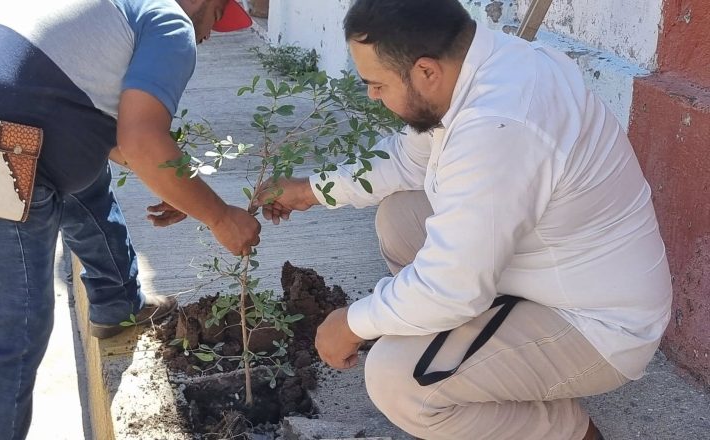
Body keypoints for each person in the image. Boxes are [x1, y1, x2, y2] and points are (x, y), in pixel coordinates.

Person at [256, 1, 672, 439]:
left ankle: (567, 431)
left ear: (426, 72)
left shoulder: (498, 127)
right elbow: (406, 162)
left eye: (376, 84)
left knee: (399, 380)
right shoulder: (483, 63)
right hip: (550, 271)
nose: (371, 96)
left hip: (597, 325)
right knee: (402, 217)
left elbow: (449, 288)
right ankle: (482, 366)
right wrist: (312, 190)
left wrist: (353, 323)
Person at [0, 0, 260, 438]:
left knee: (86, 181)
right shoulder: (170, 20)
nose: (209, 35)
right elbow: (143, 138)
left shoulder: (115, 11)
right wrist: (219, 216)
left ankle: (117, 303)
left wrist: (180, 190)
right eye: (219, 16)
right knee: (13, 336)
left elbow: (105, 136)